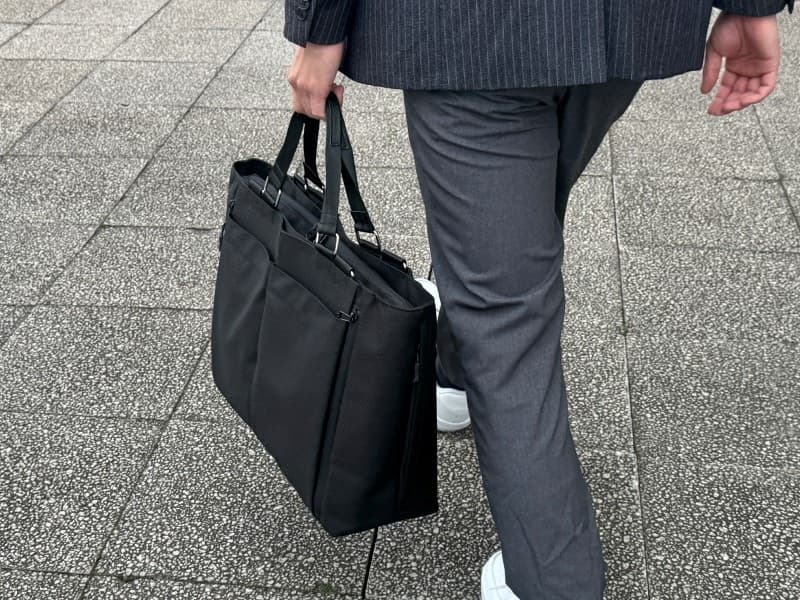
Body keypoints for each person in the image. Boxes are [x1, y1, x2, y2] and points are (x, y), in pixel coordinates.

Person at [283, 1, 794, 598]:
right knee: (513, 226)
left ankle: (554, 583)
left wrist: (319, 30)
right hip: (627, 23)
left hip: (468, 31)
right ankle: (452, 375)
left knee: (504, 310)